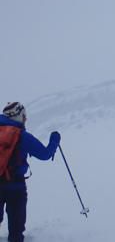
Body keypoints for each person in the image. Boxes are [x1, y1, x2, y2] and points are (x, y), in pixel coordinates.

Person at [0, 102, 60, 242]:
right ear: (19, 116)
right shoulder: (22, 136)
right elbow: (45, 154)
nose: (25, 120)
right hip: (16, 187)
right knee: (16, 228)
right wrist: (55, 140)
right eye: (24, 116)